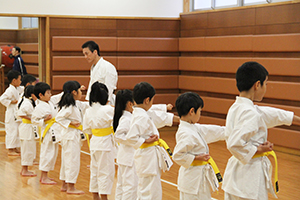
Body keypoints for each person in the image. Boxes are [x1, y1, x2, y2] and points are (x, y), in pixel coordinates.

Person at [222, 61, 300, 200]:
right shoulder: (250, 113)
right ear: (257, 85)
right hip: (249, 181)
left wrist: (296, 119)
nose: (266, 88)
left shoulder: (237, 107)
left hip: (236, 179)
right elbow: (234, 143)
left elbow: (273, 114)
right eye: (266, 83)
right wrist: (259, 149)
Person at [113, 89, 177, 200]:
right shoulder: (128, 118)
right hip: (128, 157)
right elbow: (119, 136)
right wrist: (142, 141)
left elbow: (151, 110)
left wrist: (164, 108)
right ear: (130, 104)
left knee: (123, 186)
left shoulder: (130, 116)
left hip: (125, 156)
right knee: (130, 188)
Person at [172, 92, 225, 200]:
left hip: (198, 179)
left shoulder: (193, 128)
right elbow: (177, 155)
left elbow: (213, 131)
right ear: (192, 111)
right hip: (192, 182)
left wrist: (232, 131)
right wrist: (196, 158)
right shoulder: (186, 133)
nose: (200, 114)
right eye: (199, 111)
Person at [82, 82, 115, 200]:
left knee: (95, 170)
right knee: (106, 171)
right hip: (105, 143)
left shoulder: (88, 110)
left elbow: (87, 130)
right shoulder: (108, 110)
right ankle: (104, 197)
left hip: (94, 142)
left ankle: (95, 196)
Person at [56, 81, 89, 194]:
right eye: (80, 91)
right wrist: (71, 123)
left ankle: (65, 184)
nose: (81, 93)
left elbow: (87, 105)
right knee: (72, 161)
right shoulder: (69, 106)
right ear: (74, 92)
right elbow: (59, 118)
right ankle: (71, 187)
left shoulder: (76, 103)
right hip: (70, 135)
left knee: (67, 160)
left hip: (71, 135)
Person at [31, 82, 63, 185]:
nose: (50, 94)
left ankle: (46, 175)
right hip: (47, 133)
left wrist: (69, 90)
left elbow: (59, 96)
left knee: (52, 154)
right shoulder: (39, 107)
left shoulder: (50, 102)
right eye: (48, 93)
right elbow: (34, 120)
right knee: (46, 154)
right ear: (40, 95)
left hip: (53, 131)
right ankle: (43, 177)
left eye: (50, 92)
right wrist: (44, 120)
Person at [82, 40, 118, 105]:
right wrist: (88, 102)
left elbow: (109, 88)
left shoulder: (108, 67)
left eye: (87, 54)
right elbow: (91, 86)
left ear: (95, 52)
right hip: (94, 104)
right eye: (84, 54)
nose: (85, 57)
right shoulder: (93, 67)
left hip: (106, 104)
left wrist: (105, 105)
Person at [17, 85, 38, 176]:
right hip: (26, 127)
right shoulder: (26, 103)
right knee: (27, 148)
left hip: (28, 127)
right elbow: (21, 114)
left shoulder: (28, 102)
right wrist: (32, 119)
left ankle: (25, 169)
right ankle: (24, 169)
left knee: (29, 148)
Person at [0, 70, 22, 156]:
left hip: (16, 113)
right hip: (11, 113)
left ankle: (15, 147)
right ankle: (10, 149)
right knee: (12, 130)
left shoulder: (17, 88)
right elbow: (2, 99)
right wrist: (12, 101)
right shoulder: (9, 90)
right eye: (19, 79)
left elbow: (23, 89)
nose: (20, 81)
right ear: (14, 80)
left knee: (17, 130)